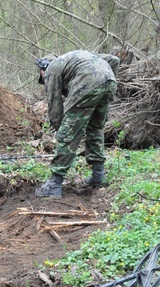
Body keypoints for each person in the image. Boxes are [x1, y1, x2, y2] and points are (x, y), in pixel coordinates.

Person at [34, 50, 119, 199]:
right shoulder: (76, 58)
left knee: (68, 132)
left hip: (86, 84)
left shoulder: (52, 69)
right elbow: (114, 59)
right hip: (109, 82)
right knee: (96, 129)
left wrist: (61, 130)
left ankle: (54, 183)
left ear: (43, 70)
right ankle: (98, 175)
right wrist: (105, 83)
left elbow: (54, 105)